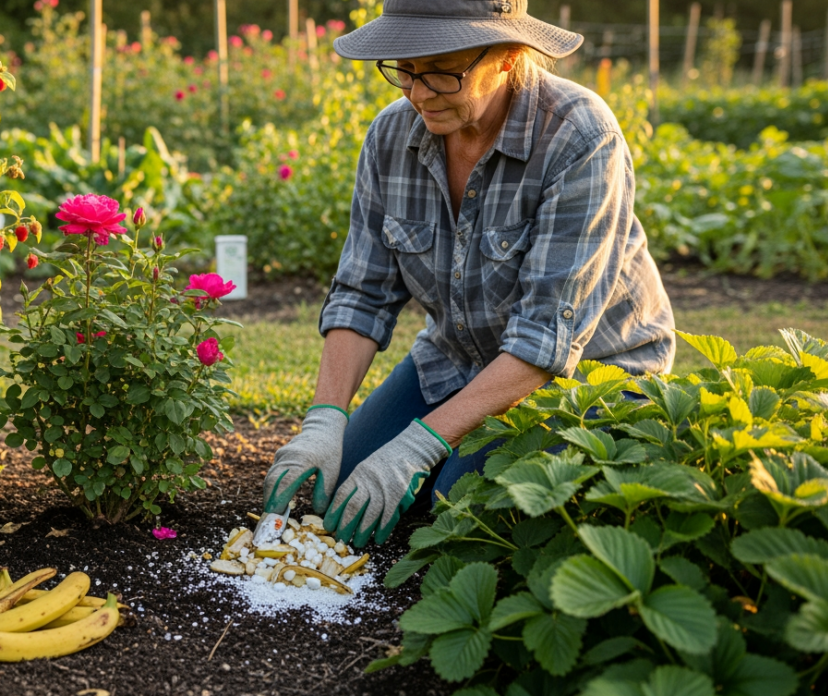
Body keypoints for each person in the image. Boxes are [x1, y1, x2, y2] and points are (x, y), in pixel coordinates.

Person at [261, 0, 676, 548]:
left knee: (456, 504)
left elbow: (544, 339)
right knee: (339, 482)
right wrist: (325, 418)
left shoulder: (578, 135)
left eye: (440, 70)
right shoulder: (392, 136)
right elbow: (362, 294)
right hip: (456, 357)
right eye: (404, 69)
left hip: (586, 377)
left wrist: (419, 445)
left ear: (507, 55)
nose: (417, 92)